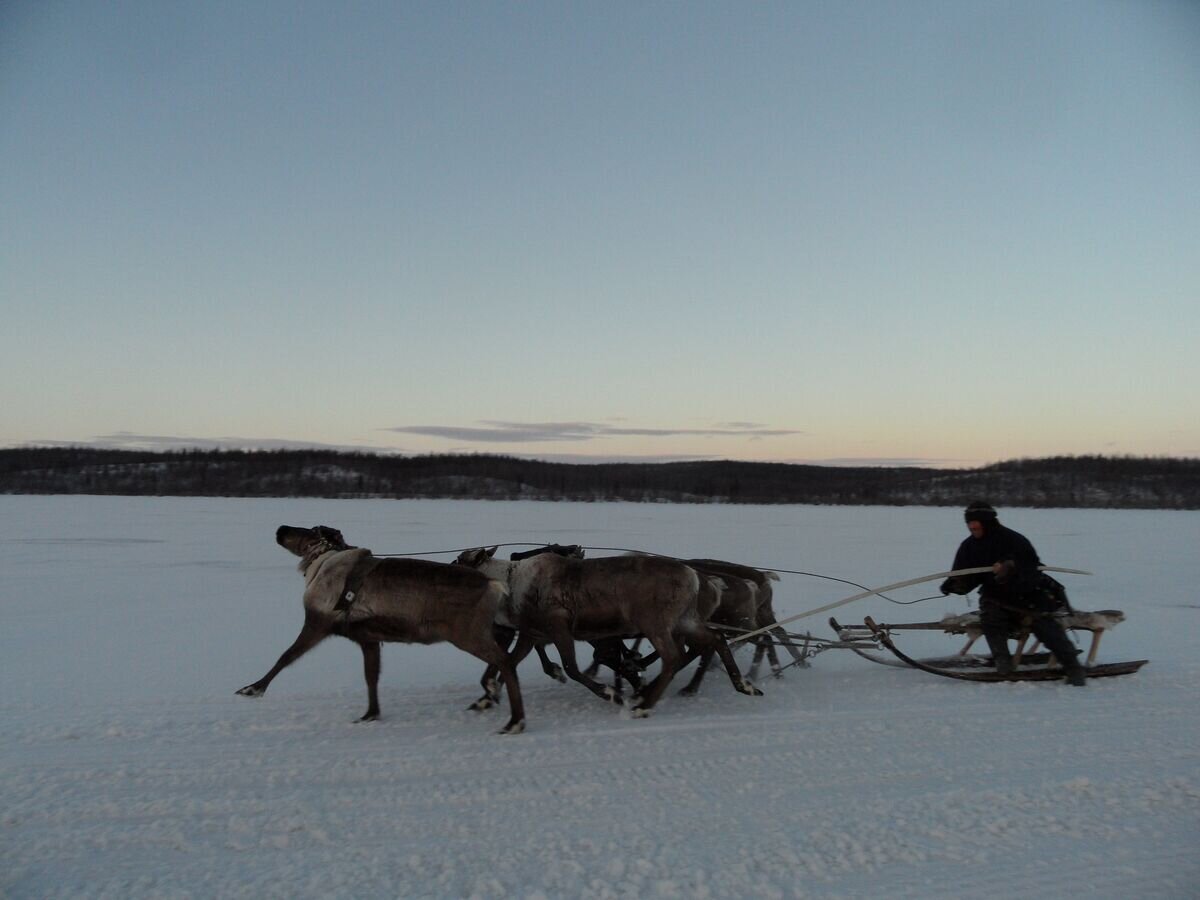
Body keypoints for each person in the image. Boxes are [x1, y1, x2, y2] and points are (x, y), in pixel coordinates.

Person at [940, 501, 1087, 686]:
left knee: (1046, 626)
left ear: (988, 522)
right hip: (995, 598)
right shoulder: (969, 546)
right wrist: (955, 584)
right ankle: (1003, 664)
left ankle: (1073, 666)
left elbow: (1033, 568)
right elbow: (967, 576)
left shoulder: (1014, 540)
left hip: (1029, 596)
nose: (972, 527)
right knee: (991, 620)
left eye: (976, 522)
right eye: (969, 523)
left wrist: (1010, 566)